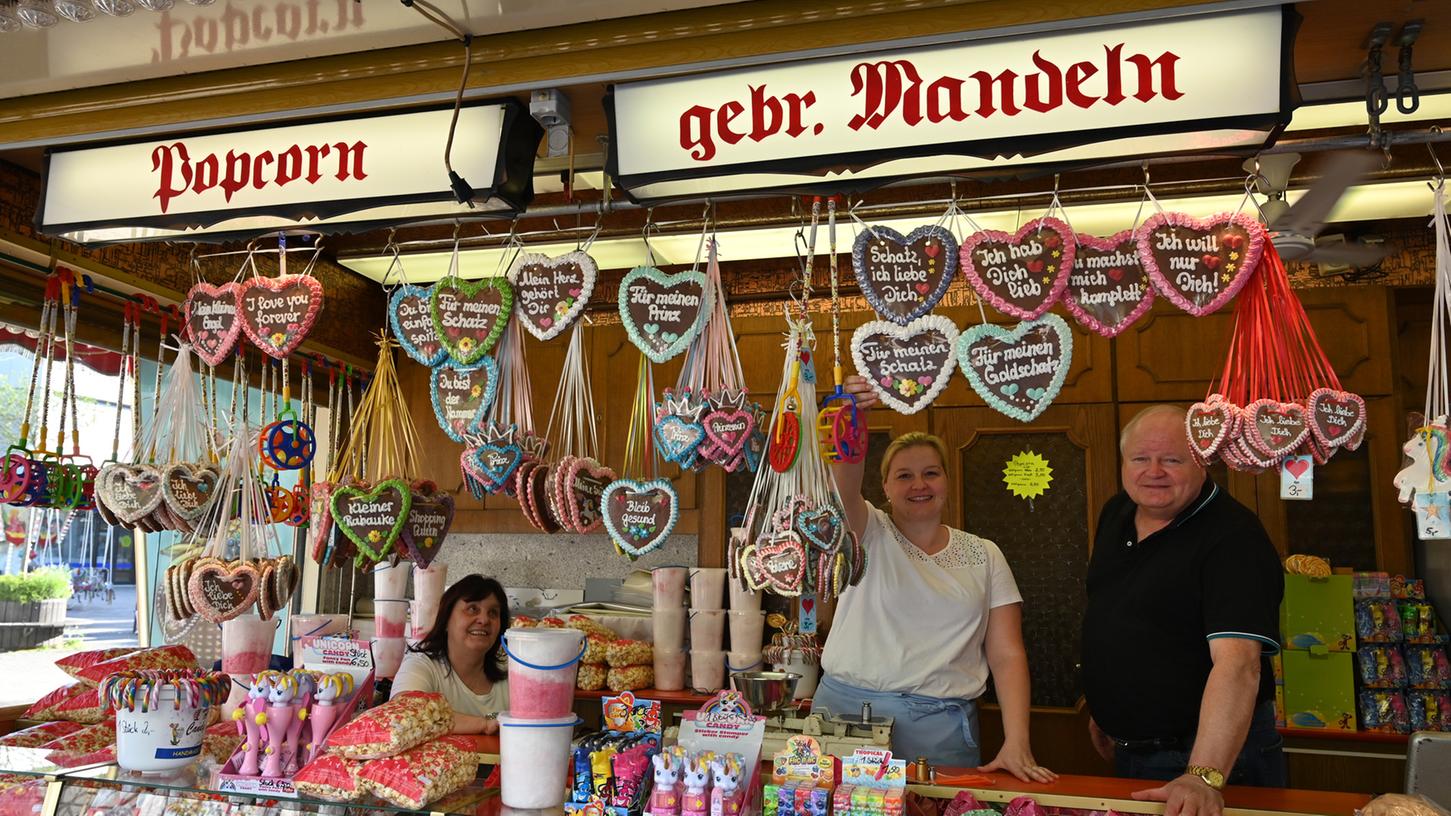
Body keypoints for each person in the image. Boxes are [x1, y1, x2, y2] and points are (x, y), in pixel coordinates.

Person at [813, 374, 1055, 783]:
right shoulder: (866, 530)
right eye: (904, 475)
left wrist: (1017, 740)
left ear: (946, 482)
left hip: (940, 732)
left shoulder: (985, 554)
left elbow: (1007, 655)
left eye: (930, 473)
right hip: (845, 721)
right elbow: (844, 489)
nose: (918, 484)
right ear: (886, 487)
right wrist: (849, 417)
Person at [1082, 404, 1286, 816]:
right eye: (1140, 458)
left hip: (1203, 758)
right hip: (1133, 750)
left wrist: (1204, 775)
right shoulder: (1116, 512)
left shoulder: (1234, 539)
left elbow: (1238, 666)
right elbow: (1120, 615)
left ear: (1202, 460)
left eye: (1171, 460)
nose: (1153, 471)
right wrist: (1108, 710)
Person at [392, 573, 510, 735]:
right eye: (472, 609)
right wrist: (484, 724)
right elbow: (405, 713)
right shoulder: (421, 664)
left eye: (493, 613)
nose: (484, 619)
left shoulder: (514, 673)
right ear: (446, 619)